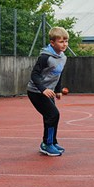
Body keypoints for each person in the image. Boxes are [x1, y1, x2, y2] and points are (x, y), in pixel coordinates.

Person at [27, 27, 69, 157]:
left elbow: (59, 74)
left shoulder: (63, 57)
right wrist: (43, 89)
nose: (65, 44)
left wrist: (58, 90)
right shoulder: (45, 57)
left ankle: (52, 142)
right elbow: (34, 75)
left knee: (51, 116)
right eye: (61, 41)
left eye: (66, 41)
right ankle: (47, 144)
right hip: (36, 91)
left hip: (49, 91)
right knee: (53, 114)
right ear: (52, 43)